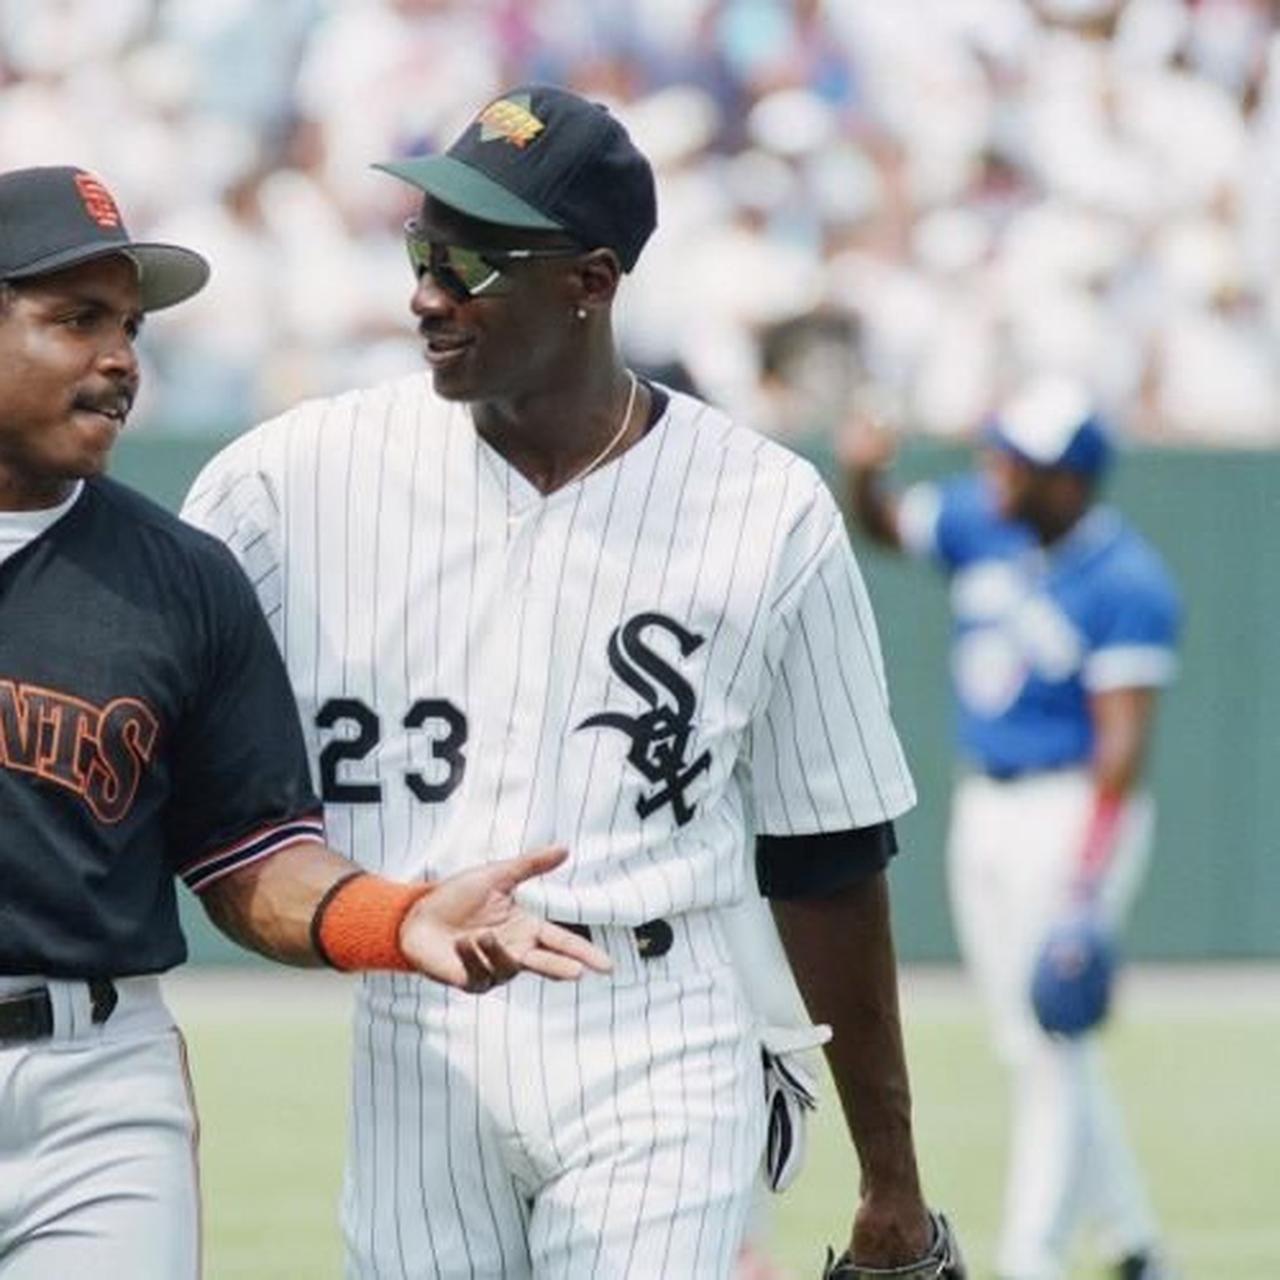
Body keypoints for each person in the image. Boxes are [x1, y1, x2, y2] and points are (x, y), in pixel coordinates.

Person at [182, 84, 965, 1279]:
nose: (427, 291)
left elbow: (827, 854)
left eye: (472, 260)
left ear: (590, 282)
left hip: (656, 1015)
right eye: (421, 246)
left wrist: (890, 1182)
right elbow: (149, 698)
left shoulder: (763, 509)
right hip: (417, 1019)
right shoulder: (292, 479)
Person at [0, 164, 612, 1280]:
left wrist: (397, 915)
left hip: (94, 1092)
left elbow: (250, 855)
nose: (121, 359)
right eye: (74, 319)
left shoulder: (181, 578)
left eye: (129, 326)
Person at [841, 376, 1181, 1280]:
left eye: (1017, 459)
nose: (994, 467)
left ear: (1067, 482)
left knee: (1052, 1039)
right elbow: (886, 527)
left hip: (1068, 808)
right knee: (1034, 1043)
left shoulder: (1125, 580)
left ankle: (1032, 1257)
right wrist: (864, 478)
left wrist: (1084, 882)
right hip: (986, 800)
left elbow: (1122, 745)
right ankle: (1140, 1244)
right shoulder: (983, 524)